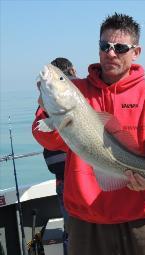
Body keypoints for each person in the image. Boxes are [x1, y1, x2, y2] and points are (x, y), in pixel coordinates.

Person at [32, 13, 145, 255]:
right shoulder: (76, 91)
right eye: (104, 46)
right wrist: (47, 106)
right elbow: (46, 138)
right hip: (86, 220)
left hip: (144, 216)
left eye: (120, 47)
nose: (110, 53)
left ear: (136, 52)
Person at [40, 57, 77, 255]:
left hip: (64, 180)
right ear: (73, 70)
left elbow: (42, 135)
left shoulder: (46, 101)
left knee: (72, 233)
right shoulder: (83, 93)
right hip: (79, 178)